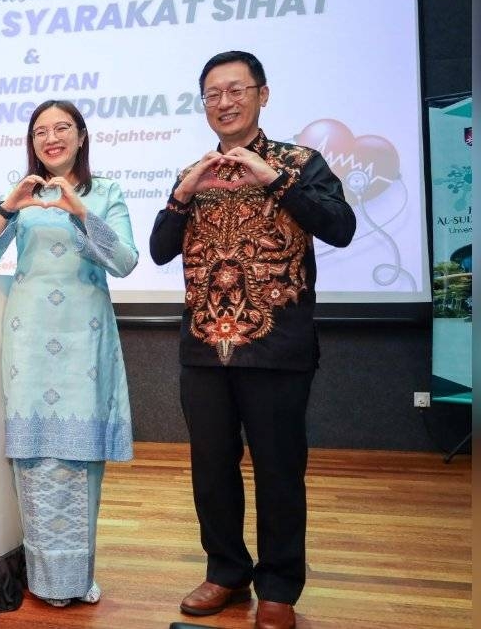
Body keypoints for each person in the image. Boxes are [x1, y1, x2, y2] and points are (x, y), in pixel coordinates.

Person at [149, 51, 356, 629]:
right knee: (211, 468)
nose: (225, 102)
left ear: (262, 95)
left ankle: (280, 587)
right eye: (213, 94)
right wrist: (183, 195)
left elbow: (340, 228)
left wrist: (276, 180)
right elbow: (161, 248)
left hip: (277, 347)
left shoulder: (300, 161)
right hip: (203, 348)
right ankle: (225, 573)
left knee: (278, 470)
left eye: (236, 90)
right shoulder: (195, 171)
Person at [0, 99, 138, 607]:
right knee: (36, 455)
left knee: (78, 458)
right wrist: (7, 207)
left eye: (62, 128)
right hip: (28, 339)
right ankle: (43, 580)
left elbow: (126, 262)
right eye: (40, 131)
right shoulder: (23, 196)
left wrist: (78, 210)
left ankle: (74, 578)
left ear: (81, 136)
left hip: (84, 341)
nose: (51, 138)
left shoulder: (105, 192)